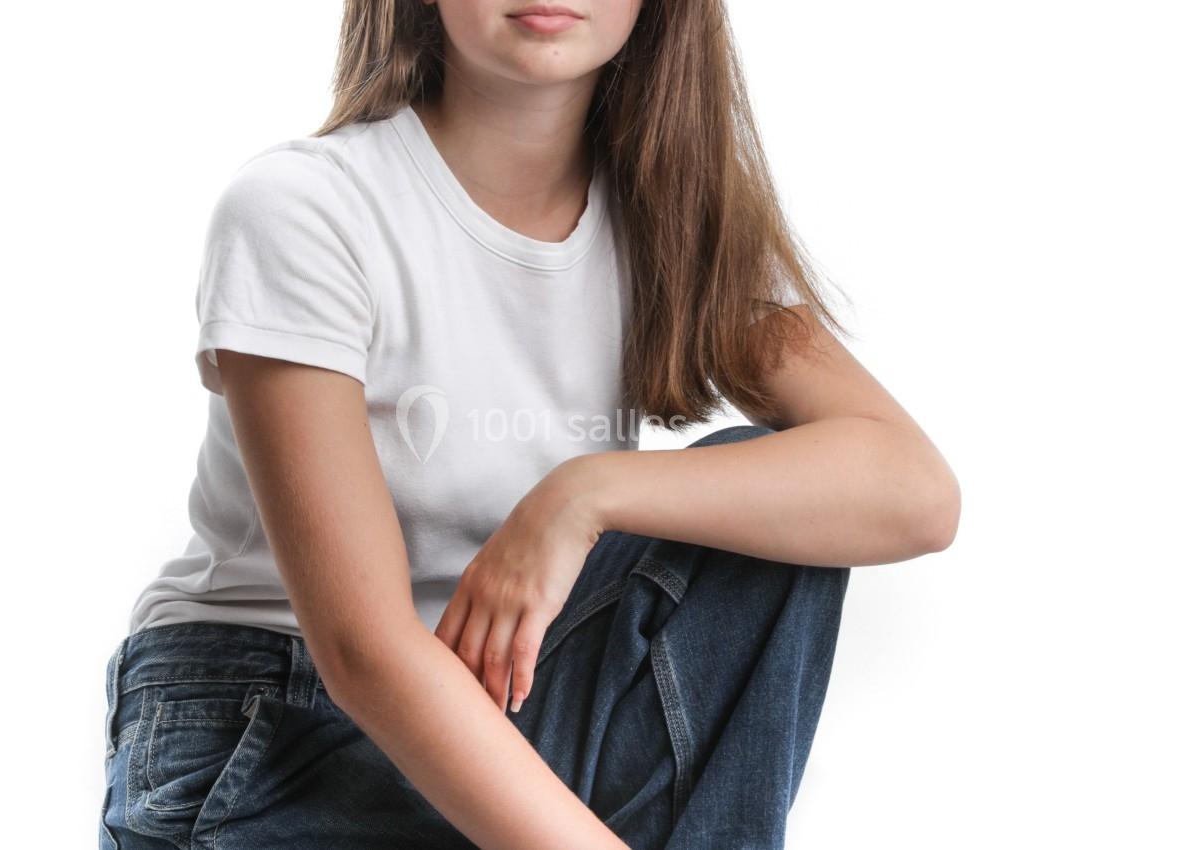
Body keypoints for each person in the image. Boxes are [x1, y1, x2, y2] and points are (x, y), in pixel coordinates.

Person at [98, 2, 961, 848]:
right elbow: (363, 653)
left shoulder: (676, 233)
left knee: (771, 513)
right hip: (271, 729)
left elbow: (913, 493)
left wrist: (583, 495)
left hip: (505, 715)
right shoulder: (302, 209)